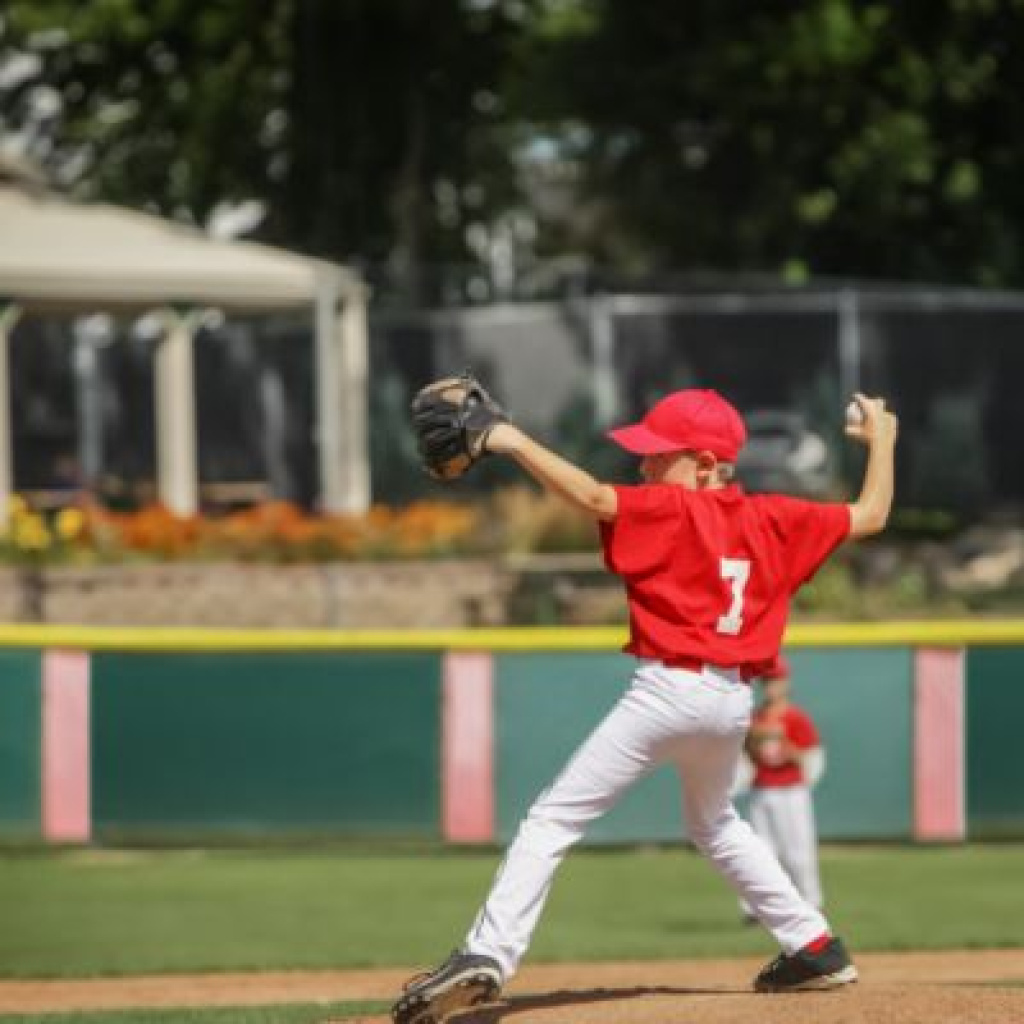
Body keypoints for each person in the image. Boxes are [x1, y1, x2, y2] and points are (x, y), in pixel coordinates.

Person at [392, 388, 898, 1024]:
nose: (644, 467)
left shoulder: (675, 510)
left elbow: (596, 498)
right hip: (730, 703)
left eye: (659, 456)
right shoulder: (778, 517)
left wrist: (513, 440)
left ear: (707, 465)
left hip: (667, 693)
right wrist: (882, 440)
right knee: (714, 823)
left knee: (551, 820)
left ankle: (487, 954)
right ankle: (815, 946)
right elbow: (871, 513)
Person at [739, 655, 826, 919]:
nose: (771, 687)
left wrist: (791, 751)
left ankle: (812, 903)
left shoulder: (796, 719)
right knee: (759, 852)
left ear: (785, 683)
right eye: (767, 681)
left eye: (775, 681)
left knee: (798, 851)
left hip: (791, 791)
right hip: (762, 790)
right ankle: (756, 909)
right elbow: (744, 759)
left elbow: (813, 759)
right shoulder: (754, 719)